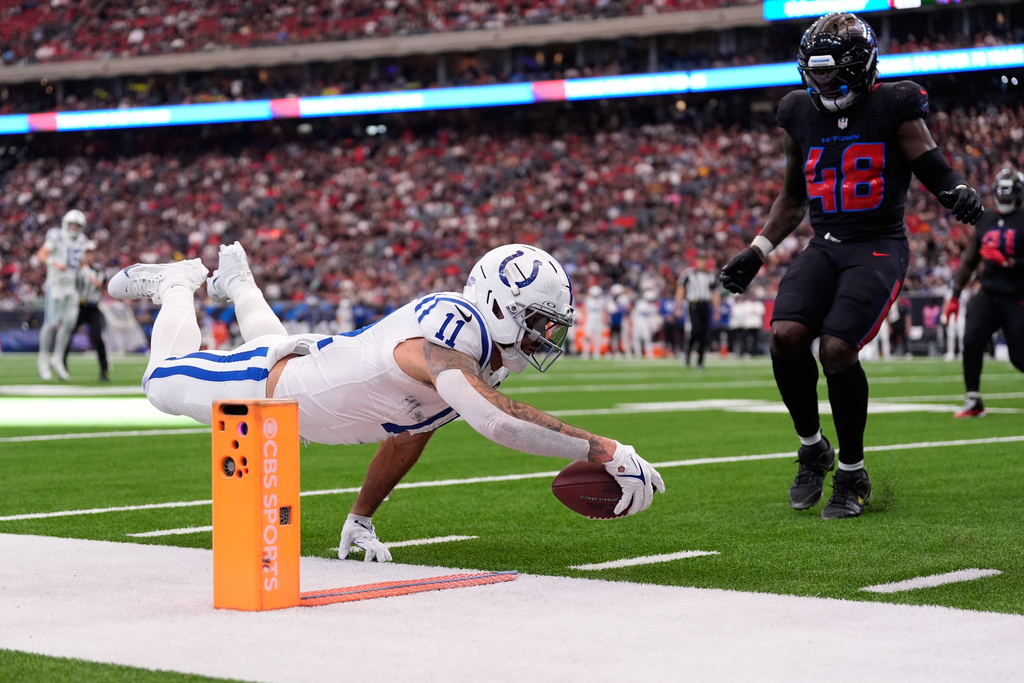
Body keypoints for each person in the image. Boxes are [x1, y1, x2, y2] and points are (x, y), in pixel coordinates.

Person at [109, 242, 665, 561]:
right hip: (261, 386)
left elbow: (409, 432)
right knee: (160, 383)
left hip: (307, 384)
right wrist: (603, 448)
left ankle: (238, 282)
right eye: (540, 322)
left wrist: (362, 516)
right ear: (498, 304)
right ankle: (178, 284)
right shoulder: (455, 325)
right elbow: (494, 422)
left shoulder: (475, 362)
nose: (547, 336)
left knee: (283, 360)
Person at [719, 12, 983, 520]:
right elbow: (794, 196)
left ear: (862, 67)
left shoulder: (896, 106)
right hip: (826, 242)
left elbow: (931, 162)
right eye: (815, 73)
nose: (824, 83)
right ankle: (812, 447)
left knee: (837, 348)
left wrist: (956, 191)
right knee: (787, 335)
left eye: (833, 72)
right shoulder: (797, 112)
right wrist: (757, 250)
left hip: (879, 244)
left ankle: (853, 471)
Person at [945, 167, 1024, 418]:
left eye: (1010, 194)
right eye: (1003, 193)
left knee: (1020, 357)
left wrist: (1009, 262)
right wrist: (955, 295)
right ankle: (973, 399)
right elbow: (969, 260)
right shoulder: (985, 219)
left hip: (1017, 293)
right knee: (971, 339)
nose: (1006, 199)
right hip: (989, 291)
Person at [36, 209, 91, 381]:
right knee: (51, 323)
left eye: (77, 225)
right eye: (72, 224)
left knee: (69, 323)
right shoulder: (57, 235)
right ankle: (43, 359)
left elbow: (81, 263)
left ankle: (58, 358)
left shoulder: (82, 240)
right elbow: (41, 255)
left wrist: (90, 276)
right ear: (65, 223)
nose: (74, 228)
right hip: (56, 283)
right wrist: (55, 263)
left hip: (71, 284)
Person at [62, 249, 110, 381]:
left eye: (90, 253)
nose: (88, 256)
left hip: (93, 307)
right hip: (78, 307)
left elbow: (101, 285)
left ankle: (104, 370)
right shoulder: (76, 271)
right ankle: (62, 367)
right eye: (86, 253)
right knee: (66, 337)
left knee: (98, 338)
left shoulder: (98, 271)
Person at [675, 254, 718, 369]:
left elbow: (715, 293)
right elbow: (680, 289)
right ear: (696, 261)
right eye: (700, 261)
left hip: (705, 305)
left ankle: (700, 361)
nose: (702, 263)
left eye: (704, 261)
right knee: (695, 331)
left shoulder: (710, 275)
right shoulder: (688, 274)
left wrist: (717, 309)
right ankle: (687, 357)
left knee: (704, 333)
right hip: (693, 304)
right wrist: (678, 306)